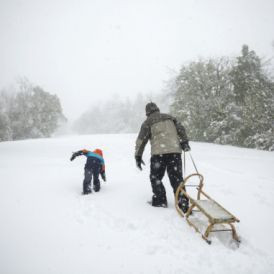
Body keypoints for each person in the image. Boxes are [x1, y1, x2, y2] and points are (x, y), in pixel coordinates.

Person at [135, 102, 190, 211]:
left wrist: (138, 156)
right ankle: (183, 204)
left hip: (158, 154)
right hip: (175, 152)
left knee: (156, 178)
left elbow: (141, 141)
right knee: (177, 179)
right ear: (157, 109)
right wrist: (184, 142)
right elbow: (181, 129)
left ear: (147, 113)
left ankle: (160, 200)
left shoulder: (148, 122)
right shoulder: (170, 117)